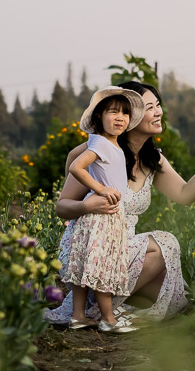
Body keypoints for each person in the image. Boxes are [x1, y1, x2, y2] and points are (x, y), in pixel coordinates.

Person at [45, 80, 195, 326]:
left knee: (173, 292)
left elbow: (185, 195)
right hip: (94, 250)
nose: (158, 113)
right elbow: (62, 207)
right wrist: (87, 206)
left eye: (158, 105)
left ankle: (107, 305)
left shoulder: (152, 158)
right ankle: (97, 311)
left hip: (123, 248)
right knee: (164, 244)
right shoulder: (102, 154)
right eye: (149, 107)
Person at [61, 87, 145, 333]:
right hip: (102, 217)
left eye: (125, 114)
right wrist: (100, 189)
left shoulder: (110, 144)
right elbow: (77, 167)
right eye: (113, 112)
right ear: (99, 117)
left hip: (101, 217)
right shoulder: (102, 143)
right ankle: (108, 319)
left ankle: (78, 315)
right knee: (103, 267)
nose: (120, 117)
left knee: (86, 265)